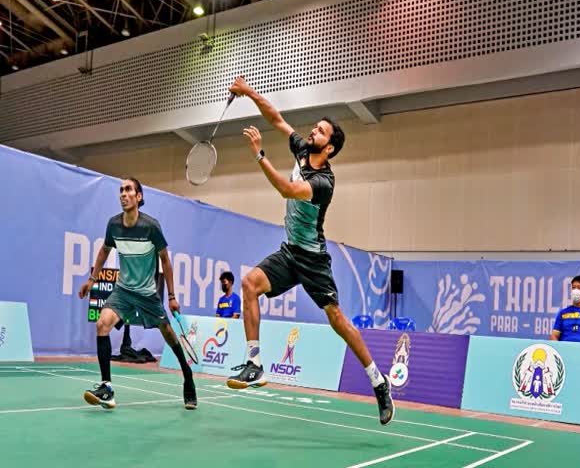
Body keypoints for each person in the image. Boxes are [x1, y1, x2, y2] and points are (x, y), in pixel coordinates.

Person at [225, 77, 395, 426]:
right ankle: (254, 363)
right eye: (314, 129)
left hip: (314, 260)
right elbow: (277, 119)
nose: (312, 132)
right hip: (290, 253)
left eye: (319, 131)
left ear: (329, 147)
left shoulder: (323, 183)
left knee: (337, 319)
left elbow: (288, 189)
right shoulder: (303, 149)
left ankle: (379, 381)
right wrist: (249, 93)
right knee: (249, 284)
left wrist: (259, 155)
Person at [78, 177, 196, 409]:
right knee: (102, 324)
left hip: (147, 293)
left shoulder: (151, 226)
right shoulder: (113, 224)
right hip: (123, 290)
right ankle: (107, 388)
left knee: (168, 333)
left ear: (139, 197)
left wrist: (171, 296)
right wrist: (92, 280)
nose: (123, 194)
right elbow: (104, 250)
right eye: (121, 190)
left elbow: (166, 261)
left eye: (129, 190)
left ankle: (188, 376)